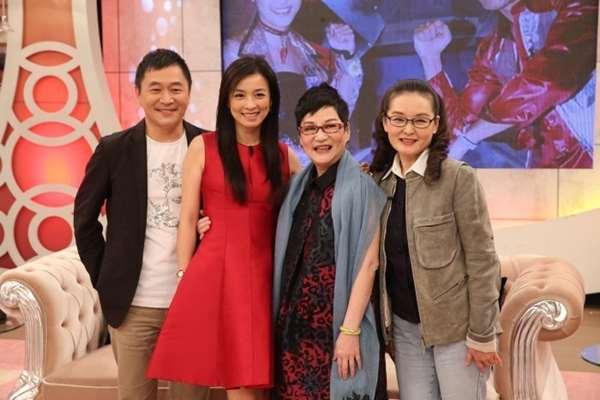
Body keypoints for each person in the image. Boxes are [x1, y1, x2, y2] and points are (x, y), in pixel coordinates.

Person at [147, 56, 300, 400]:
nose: (250, 104)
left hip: (267, 278)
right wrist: (185, 273)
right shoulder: (203, 148)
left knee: (260, 378)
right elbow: (188, 217)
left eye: (259, 95)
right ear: (226, 101)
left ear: (272, 100)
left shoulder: (285, 157)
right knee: (232, 375)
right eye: (239, 95)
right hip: (215, 274)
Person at [74, 49, 209, 400]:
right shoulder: (114, 150)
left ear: (189, 92)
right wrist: (105, 277)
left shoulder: (208, 146)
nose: (167, 98)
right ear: (138, 93)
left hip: (193, 301)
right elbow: (85, 220)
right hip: (134, 305)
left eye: (176, 89)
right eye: (156, 89)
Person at [369, 79, 502, 400]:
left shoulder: (458, 178)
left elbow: (483, 261)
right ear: (385, 122)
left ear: (435, 124)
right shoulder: (378, 183)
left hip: (458, 330)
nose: (408, 129)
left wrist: (482, 334)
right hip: (405, 331)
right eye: (398, 119)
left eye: (420, 120)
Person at [272, 83, 386, 399]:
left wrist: (349, 331)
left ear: (346, 131)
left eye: (330, 126)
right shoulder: (298, 187)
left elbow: (368, 264)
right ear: (300, 136)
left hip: (336, 331)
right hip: (294, 332)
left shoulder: (363, 188)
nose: (320, 137)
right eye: (310, 128)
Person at [413, 0, 597, 168]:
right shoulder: (494, 50)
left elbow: (550, 79)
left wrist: (468, 140)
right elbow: (459, 128)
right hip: (547, 177)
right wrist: (431, 59)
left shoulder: (576, 6)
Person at [223, 0, 363, 143]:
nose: (283, 2)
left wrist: (346, 54)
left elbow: (336, 116)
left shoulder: (307, 51)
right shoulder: (235, 53)